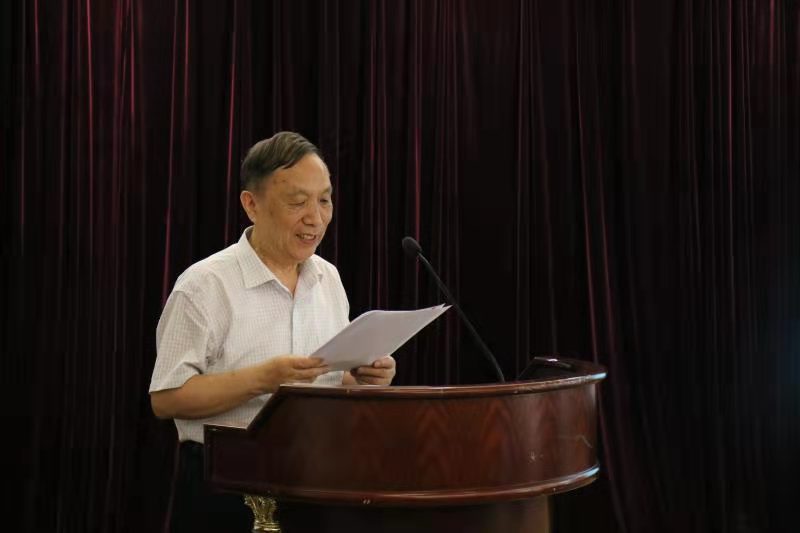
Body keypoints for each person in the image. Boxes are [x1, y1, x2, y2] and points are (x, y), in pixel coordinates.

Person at [149, 131, 396, 533]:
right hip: (228, 487)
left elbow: (330, 378)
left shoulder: (328, 278)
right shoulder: (204, 285)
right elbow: (166, 398)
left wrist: (363, 378)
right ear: (252, 204)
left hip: (319, 480)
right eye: (297, 202)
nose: (315, 218)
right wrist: (263, 379)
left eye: (324, 200)